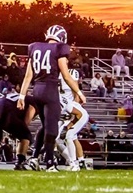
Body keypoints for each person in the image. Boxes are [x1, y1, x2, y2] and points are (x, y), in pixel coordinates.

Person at [17, 24, 85, 172]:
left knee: (45, 127)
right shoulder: (59, 49)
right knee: (52, 130)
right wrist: (79, 92)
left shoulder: (34, 47)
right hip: (50, 90)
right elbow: (66, 76)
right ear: (61, 37)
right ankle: (49, 164)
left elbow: (28, 75)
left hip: (37, 91)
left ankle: (35, 159)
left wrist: (22, 95)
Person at [0, 91, 33, 171]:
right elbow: (29, 116)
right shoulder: (33, 101)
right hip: (5, 110)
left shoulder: (15, 96)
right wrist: (17, 132)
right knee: (25, 136)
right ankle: (20, 163)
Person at [57, 66, 90, 171]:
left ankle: (77, 162)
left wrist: (71, 122)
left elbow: (79, 114)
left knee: (70, 136)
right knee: (61, 139)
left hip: (73, 112)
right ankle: (72, 161)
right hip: (67, 109)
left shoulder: (71, 73)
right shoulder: (57, 96)